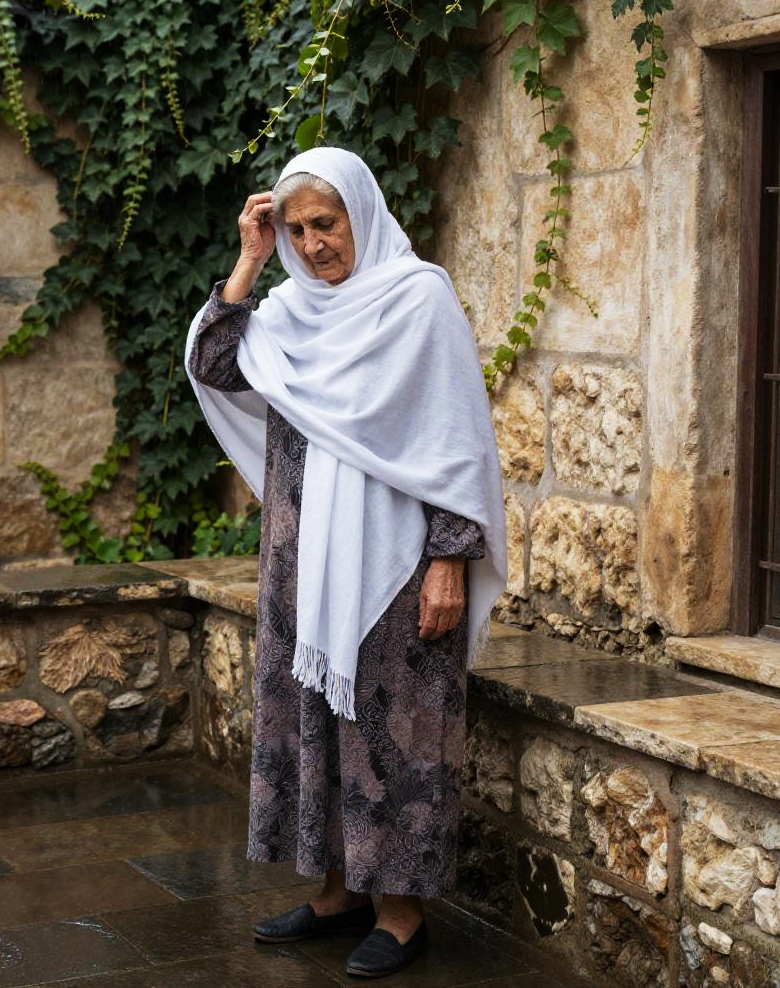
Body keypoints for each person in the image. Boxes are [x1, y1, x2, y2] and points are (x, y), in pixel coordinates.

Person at [185, 147, 506, 979]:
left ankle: (401, 913)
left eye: (324, 223)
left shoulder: (417, 298)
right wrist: (250, 259)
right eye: (296, 229)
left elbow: (456, 439)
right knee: (313, 726)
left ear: (361, 212)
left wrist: (450, 560)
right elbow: (212, 364)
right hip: (302, 565)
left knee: (396, 733)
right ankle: (338, 893)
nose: (312, 243)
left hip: (398, 569)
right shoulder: (289, 312)